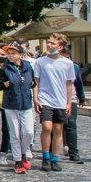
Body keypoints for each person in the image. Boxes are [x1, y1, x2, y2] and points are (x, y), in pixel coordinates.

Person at [33, 33, 77, 172]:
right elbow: (36, 81)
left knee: (58, 129)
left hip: (61, 100)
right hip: (45, 98)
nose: (49, 44)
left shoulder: (68, 63)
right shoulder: (40, 61)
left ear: (60, 46)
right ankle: (45, 156)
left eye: (52, 43)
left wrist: (69, 102)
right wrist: (36, 98)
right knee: (47, 127)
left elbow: (69, 84)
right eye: (48, 42)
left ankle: (55, 158)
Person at [0, 44, 37, 174]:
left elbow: (33, 82)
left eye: (13, 53)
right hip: (11, 104)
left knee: (29, 132)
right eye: (9, 53)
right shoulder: (5, 68)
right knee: (15, 134)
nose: (11, 55)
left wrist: (32, 84)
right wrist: (5, 84)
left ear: (20, 54)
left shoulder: (28, 67)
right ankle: (18, 161)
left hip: (26, 104)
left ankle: (23, 153)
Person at [62, 43, 85, 164]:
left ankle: (73, 153)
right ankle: (51, 153)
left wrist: (81, 97)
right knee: (57, 126)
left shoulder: (74, 66)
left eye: (67, 57)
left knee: (71, 125)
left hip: (71, 99)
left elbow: (78, 83)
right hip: (57, 99)